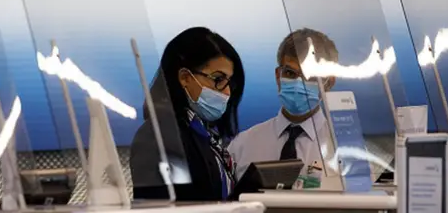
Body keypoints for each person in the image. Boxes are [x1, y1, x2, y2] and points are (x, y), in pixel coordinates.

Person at [130, 27, 245, 201]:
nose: (227, 92)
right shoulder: (158, 137)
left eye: (230, 82)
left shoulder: (204, 133)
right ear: (185, 77)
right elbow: (159, 207)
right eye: (218, 79)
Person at [228, 28, 338, 183]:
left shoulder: (345, 150)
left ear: (329, 82)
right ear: (278, 76)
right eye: (290, 74)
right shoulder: (242, 146)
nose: (299, 83)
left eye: (310, 76)